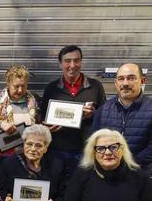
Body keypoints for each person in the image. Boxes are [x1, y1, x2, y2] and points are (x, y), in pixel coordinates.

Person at [91, 63, 152, 173]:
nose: (125, 83)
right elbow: (94, 142)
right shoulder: (103, 109)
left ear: (142, 81)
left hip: (138, 174)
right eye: (121, 79)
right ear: (116, 83)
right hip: (107, 174)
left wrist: (127, 163)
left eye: (131, 78)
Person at [41, 45, 107, 175]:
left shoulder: (95, 86)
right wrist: (48, 127)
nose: (72, 65)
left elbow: (104, 117)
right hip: (57, 150)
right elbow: (43, 119)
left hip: (85, 150)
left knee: (82, 188)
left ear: (81, 62)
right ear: (60, 64)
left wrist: (93, 114)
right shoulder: (51, 88)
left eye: (76, 60)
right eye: (67, 61)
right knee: (56, 187)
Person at [0, 65, 40, 176]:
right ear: (8, 83)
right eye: (16, 86)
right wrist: (0, 125)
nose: (20, 90)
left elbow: (38, 124)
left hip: (24, 156)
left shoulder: (34, 100)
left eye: (23, 86)